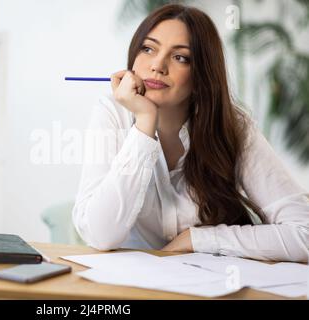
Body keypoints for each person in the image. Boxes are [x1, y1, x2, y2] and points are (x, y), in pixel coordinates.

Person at [72, 4, 309, 262]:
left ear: (201, 76)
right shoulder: (111, 113)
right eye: (148, 48)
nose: (158, 66)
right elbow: (100, 235)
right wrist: (145, 122)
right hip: (133, 288)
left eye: (180, 57)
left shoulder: (233, 126)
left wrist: (197, 240)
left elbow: (304, 234)